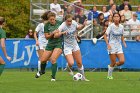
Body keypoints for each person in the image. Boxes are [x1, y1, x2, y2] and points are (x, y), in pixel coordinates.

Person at [55, 14, 89, 81]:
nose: (70, 23)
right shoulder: (62, 26)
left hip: (74, 44)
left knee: (79, 63)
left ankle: (83, 78)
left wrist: (84, 25)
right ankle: (68, 67)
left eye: (70, 21)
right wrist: (62, 33)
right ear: (65, 21)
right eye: (68, 21)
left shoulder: (74, 23)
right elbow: (56, 35)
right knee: (71, 63)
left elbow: (78, 28)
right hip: (67, 46)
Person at [39, 12, 62, 81]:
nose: (52, 21)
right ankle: (42, 71)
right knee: (42, 60)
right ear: (48, 19)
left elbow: (65, 30)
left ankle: (53, 77)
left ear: (55, 18)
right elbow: (46, 37)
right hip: (50, 44)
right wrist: (52, 33)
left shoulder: (60, 23)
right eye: (50, 19)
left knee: (53, 59)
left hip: (58, 43)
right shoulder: (46, 25)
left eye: (53, 19)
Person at [104, 13, 127, 79]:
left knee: (122, 61)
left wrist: (124, 42)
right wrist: (107, 44)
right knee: (113, 62)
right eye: (115, 17)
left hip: (119, 46)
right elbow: (105, 35)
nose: (116, 18)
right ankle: (109, 75)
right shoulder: (111, 26)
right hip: (111, 46)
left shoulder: (121, 27)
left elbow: (122, 35)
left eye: (117, 16)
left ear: (119, 18)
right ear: (113, 18)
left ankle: (111, 66)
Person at [34, 11, 50, 78]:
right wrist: (36, 41)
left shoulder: (51, 25)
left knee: (46, 60)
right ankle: (39, 72)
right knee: (41, 58)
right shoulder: (41, 25)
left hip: (48, 44)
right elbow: (35, 33)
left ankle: (41, 71)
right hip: (40, 43)